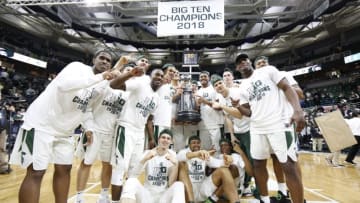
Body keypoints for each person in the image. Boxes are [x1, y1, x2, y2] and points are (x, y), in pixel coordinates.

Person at [9, 50, 116, 203]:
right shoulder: (77, 67)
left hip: (65, 131)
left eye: (108, 61)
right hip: (42, 124)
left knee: (64, 169)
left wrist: (89, 127)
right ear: (94, 59)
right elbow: (63, 86)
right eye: (102, 58)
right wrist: (100, 77)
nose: (105, 62)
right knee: (36, 172)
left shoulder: (101, 85)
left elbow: (85, 107)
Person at [233, 53, 305, 203]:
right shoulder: (243, 86)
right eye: (239, 63)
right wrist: (238, 106)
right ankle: (264, 200)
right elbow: (249, 113)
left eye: (245, 60)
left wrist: (298, 111)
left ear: (250, 62)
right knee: (258, 164)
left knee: (288, 166)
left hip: (278, 124)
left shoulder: (269, 70)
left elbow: (287, 88)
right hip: (257, 128)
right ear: (237, 68)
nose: (243, 63)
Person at [75, 60, 131, 203]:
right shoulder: (104, 86)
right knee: (86, 163)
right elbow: (86, 106)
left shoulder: (129, 94)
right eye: (125, 71)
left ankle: (104, 195)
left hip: (112, 134)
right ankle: (80, 197)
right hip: (95, 130)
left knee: (107, 164)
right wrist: (88, 127)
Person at [109, 56, 162, 202]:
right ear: (150, 76)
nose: (159, 78)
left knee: (134, 171)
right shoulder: (139, 84)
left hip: (140, 134)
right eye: (157, 74)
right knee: (120, 168)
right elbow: (114, 85)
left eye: (162, 76)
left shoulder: (156, 98)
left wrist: (151, 138)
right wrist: (130, 74)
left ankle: (127, 198)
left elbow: (149, 120)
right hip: (126, 127)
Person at [254, 55, 305, 201]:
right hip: (267, 125)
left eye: (264, 62)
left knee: (291, 161)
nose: (262, 64)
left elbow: (300, 94)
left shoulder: (282, 74)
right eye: (259, 63)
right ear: (255, 68)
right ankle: (282, 192)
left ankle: (300, 199)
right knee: (275, 158)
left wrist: (281, 85)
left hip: (285, 123)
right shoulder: (256, 83)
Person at [210, 75, 254, 196]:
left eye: (220, 83)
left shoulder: (235, 92)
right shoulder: (220, 97)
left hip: (249, 129)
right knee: (241, 158)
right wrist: (232, 135)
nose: (219, 86)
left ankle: (250, 186)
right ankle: (242, 184)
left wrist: (222, 106)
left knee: (251, 159)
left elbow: (240, 114)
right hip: (238, 131)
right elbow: (228, 118)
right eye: (216, 85)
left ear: (224, 83)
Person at [120, 129, 185, 203]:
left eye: (168, 138)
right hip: (147, 196)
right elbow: (133, 175)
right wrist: (145, 159)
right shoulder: (148, 153)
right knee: (131, 181)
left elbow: (170, 184)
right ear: (159, 139)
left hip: (163, 197)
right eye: (163, 137)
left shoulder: (173, 155)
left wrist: (175, 165)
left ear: (171, 142)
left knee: (179, 185)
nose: (165, 140)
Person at [177, 135, 240, 203]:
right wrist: (196, 154)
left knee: (223, 170)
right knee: (181, 164)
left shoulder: (204, 154)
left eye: (198, 143)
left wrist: (226, 161)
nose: (196, 144)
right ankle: (191, 201)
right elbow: (180, 157)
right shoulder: (183, 152)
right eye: (193, 143)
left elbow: (217, 163)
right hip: (188, 191)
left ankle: (236, 201)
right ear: (189, 145)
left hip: (202, 189)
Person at [195, 71, 224, 152]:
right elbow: (198, 108)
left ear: (209, 78)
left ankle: (216, 164)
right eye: (201, 77)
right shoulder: (198, 91)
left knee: (216, 148)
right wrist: (196, 106)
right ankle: (206, 164)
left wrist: (205, 101)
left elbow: (220, 106)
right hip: (203, 124)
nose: (203, 78)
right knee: (204, 148)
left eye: (205, 76)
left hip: (214, 123)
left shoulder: (214, 89)